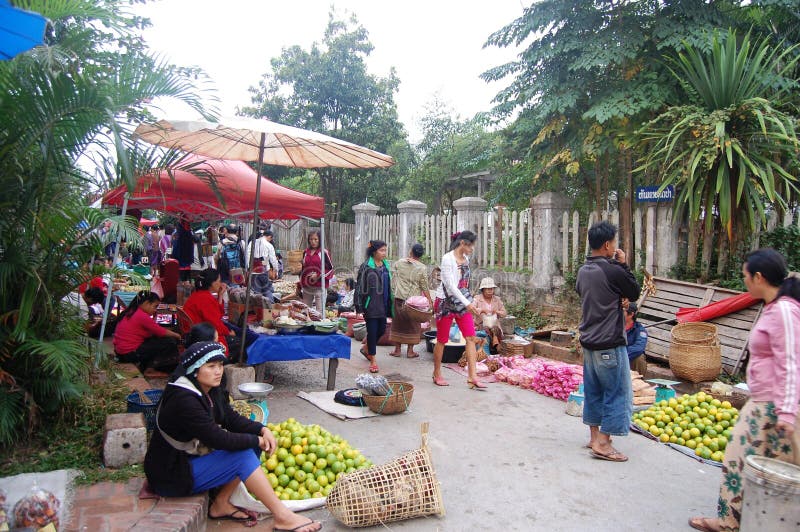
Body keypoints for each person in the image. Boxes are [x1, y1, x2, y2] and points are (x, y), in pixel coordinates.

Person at [143, 341, 322, 532]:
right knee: (243, 454)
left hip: (190, 459)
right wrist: (256, 440)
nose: (218, 371)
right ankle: (282, 516)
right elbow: (218, 439)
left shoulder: (209, 388)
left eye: (220, 365)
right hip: (171, 474)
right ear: (195, 370)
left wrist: (261, 430)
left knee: (250, 443)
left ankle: (221, 503)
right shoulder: (184, 399)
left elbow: (229, 417)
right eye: (211, 366)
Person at [689, 249, 800, 532]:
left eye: (745, 276)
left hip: (775, 408)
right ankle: (732, 520)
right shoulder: (772, 307)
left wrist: (787, 414)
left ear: (759, 277)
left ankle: (737, 522)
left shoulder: (786, 311)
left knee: (772, 471)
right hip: (761, 404)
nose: (744, 282)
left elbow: (792, 363)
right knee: (740, 463)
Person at [575, 221, 641, 462]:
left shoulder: (583, 271)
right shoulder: (612, 270)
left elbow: (590, 294)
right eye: (614, 242)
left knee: (594, 391)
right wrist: (623, 264)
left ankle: (594, 437)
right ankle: (603, 443)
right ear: (606, 244)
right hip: (609, 342)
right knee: (617, 393)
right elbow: (633, 292)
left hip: (589, 340)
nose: (615, 246)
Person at [432, 231, 486, 390]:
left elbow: (464, 285)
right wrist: (467, 304)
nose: (472, 249)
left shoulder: (466, 259)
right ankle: (436, 373)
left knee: (470, 337)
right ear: (462, 243)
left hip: (462, 301)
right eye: (471, 245)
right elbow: (450, 286)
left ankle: (472, 376)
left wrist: (471, 301)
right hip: (446, 302)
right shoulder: (447, 259)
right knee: (442, 340)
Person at [183, 268, 257, 361]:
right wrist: (228, 333)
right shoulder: (205, 299)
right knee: (240, 341)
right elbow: (215, 323)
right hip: (202, 336)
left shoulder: (199, 295)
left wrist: (220, 295)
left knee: (236, 332)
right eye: (219, 281)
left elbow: (218, 314)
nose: (220, 283)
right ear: (212, 283)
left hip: (197, 331)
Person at [113, 290, 182, 377]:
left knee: (158, 341)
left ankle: (146, 366)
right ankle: (151, 369)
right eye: (155, 306)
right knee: (169, 342)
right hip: (129, 353)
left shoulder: (130, 311)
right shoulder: (141, 315)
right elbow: (161, 332)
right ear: (146, 303)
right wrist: (177, 335)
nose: (155, 309)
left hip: (121, 353)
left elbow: (151, 332)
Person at [354, 240, 392, 373]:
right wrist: (358, 306)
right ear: (374, 251)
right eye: (382, 250)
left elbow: (389, 285)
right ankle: (373, 360)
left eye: (385, 250)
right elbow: (358, 286)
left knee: (381, 329)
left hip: (383, 304)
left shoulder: (385, 265)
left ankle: (366, 348)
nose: (384, 253)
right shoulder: (366, 266)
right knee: (372, 331)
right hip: (370, 304)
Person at [389, 243, 431, 358]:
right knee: (413, 325)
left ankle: (397, 350)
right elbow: (424, 286)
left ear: (410, 252)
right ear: (421, 255)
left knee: (398, 323)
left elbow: (394, 276)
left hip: (399, 297)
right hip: (414, 302)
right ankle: (410, 351)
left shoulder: (399, 263)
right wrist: (430, 301)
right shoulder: (422, 268)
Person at [299, 230, 334, 312]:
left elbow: (330, 268)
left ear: (320, 240)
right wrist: (300, 284)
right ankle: (308, 325)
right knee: (306, 311)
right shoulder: (305, 252)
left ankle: (318, 324)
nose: (313, 242)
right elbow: (303, 269)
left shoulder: (323, 252)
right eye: (311, 239)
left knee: (319, 312)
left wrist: (318, 275)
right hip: (307, 286)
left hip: (320, 286)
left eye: (316, 239)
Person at [472, 277, 508, 354]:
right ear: (483, 290)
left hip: (495, 327)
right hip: (480, 325)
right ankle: (494, 346)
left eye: (491, 289)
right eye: (487, 289)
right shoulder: (477, 299)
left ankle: (496, 343)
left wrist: (497, 312)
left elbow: (504, 313)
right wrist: (481, 310)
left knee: (495, 328)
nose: (490, 291)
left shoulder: (497, 299)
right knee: (486, 329)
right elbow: (472, 310)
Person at [248, 228, 279, 304]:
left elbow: (248, 256)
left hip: (253, 271)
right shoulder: (269, 245)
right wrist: (276, 270)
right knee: (266, 290)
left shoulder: (252, 243)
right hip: (264, 270)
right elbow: (273, 260)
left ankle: (258, 308)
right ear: (269, 237)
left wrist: (248, 267)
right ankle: (269, 307)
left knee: (256, 292)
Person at [624, 301, 648, 377]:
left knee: (639, 357)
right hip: (612, 356)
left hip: (627, 357)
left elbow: (639, 347)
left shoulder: (640, 330)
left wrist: (622, 355)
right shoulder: (613, 326)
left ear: (631, 314)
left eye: (622, 311)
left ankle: (637, 383)